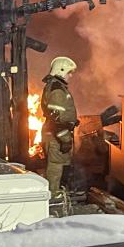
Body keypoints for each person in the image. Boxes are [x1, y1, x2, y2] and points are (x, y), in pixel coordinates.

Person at [40, 56, 78, 194]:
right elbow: (56, 121)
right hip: (57, 136)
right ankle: (54, 197)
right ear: (61, 71)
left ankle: (60, 193)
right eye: (69, 72)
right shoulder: (57, 91)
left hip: (56, 135)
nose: (71, 76)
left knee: (62, 166)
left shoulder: (56, 87)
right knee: (56, 167)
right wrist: (65, 139)